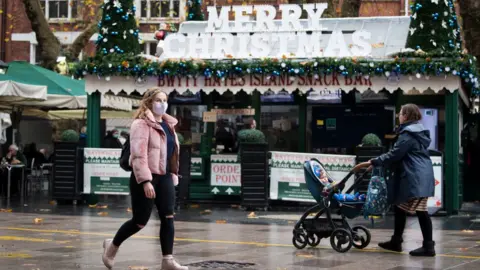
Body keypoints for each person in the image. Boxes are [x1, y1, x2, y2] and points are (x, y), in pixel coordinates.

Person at [102, 87, 187, 270]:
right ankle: (112, 246)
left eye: (165, 100)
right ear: (149, 102)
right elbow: (138, 156)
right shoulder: (140, 124)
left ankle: (168, 260)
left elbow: (172, 153)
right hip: (145, 177)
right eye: (158, 100)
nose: (162, 104)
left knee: (168, 217)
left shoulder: (169, 124)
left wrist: (172, 173)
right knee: (139, 221)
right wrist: (146, 181)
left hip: (164, 177)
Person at [356, 103, 435, 257]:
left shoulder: (408, 134)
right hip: (420, 174)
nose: (398, 115)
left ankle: (428, 247)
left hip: (416, 176)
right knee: (401, 207)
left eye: (400, 113)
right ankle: (396, 242)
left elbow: (395, 154)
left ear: (406, 116)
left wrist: (374, 161)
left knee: (421, 211)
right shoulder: (418, 131)